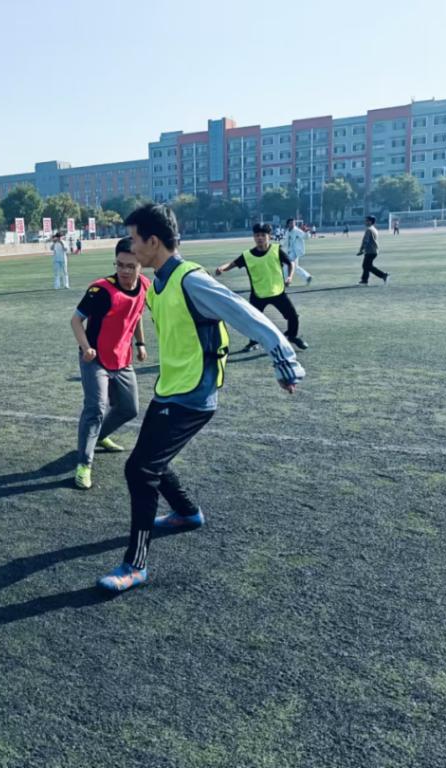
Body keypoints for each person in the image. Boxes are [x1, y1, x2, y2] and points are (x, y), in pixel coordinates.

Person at [96, 204, 304, 593]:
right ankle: (187, 512)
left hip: (193, 395)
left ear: (152, 242)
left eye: (135, 239)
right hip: (170, 389)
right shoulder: (158, 283)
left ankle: (135, 565)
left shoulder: (191, 280)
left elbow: (245, 314)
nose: (130, 247)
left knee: (140, 470)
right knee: (149, 461)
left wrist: (284, 361)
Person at [70, 237, 149, 490]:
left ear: (141, 265)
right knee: (95, 408)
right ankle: (84, 464)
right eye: (120, 265)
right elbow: (75, 321)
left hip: (122, 358)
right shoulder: (101, 290)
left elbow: (137, 314)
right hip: (95, 359)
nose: (124, 271)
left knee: (129, 408)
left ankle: (100, 436)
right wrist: (86, 348)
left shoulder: (145, 285)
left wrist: (140, 343)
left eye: (131, 266)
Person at [215, 224, 308, 351]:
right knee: (252, 320)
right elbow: (233, 264)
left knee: (293, 316)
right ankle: (253, 342)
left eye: (263, 235)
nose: (260, 238)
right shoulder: (247, 255)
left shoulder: (276, 250)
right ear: (254, 237)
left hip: (277, 292)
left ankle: (292, 336)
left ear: (269, 236)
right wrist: (222, 268)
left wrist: (290, 277)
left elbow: (290, 263)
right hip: (258, 294)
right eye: (257, 235)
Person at [357, 215, 389, 286]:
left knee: (366, 266)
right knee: (367, 266)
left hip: (370, 251)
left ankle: (382, 275)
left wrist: (361, 250)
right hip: (374, 250)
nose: (365, 222)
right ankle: (365, 280)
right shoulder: (374, 229)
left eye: (366, 220)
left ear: (370, 222)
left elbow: (365, 241)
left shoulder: (369, 230)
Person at [282, 218, 313, 286]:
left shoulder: (297, 231)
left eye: (294, 223)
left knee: (287, 265)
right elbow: (285, 241)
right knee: (295, 267)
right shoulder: (288, 231)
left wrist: (307, 232)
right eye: (291, 223)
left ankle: (286, 281)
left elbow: (305, 237)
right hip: (289, 251)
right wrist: (280, 245)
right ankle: (307, 277)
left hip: (295, 252)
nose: (293, 224)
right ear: (288, 224)